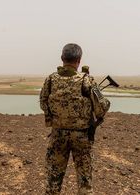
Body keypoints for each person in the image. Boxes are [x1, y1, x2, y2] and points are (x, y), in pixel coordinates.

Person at [40, 43, 110, 195]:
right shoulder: (87, 80)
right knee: (85, 184)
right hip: (82, 137)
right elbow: (101, 107)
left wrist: (57, 118)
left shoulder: (50, 80)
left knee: (53, 182)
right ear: (79, 60)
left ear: (62, 58)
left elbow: (43, 103)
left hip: (57, 135)